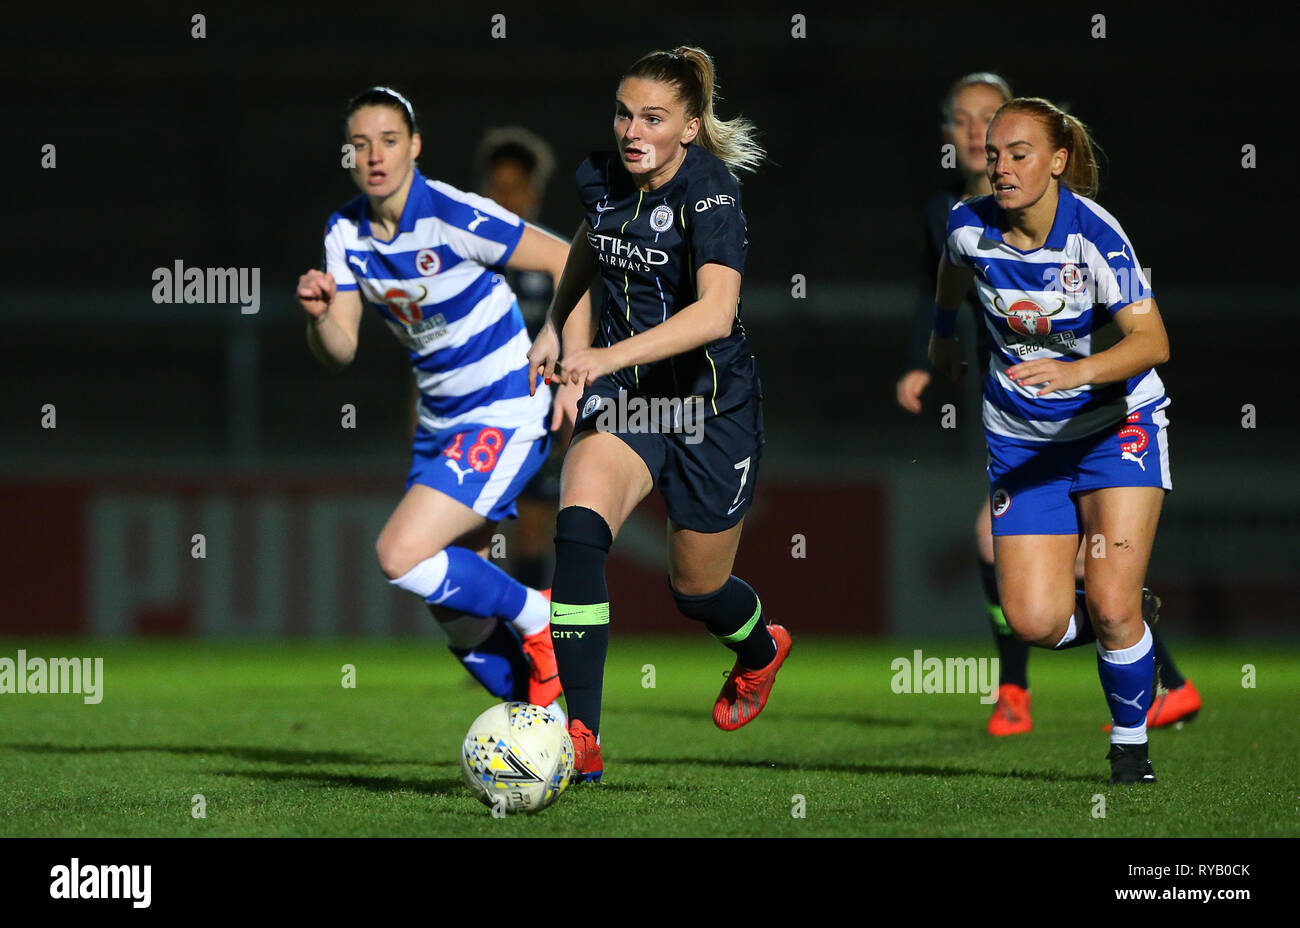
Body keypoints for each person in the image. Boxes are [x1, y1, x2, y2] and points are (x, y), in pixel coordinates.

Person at [900, 74, 1200, 737]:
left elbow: (1154, 341)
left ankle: (1124, 740)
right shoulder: (963, 222)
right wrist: (943, 338)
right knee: (1045, 615)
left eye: (1015, 149)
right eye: (989, 145)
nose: (998, 159)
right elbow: (951, 267)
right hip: (1026, 434)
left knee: (1101, 588)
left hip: (1112, 425)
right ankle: (1127, 637)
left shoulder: (1093, 234)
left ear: (1057, 158)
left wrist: (1077, 372)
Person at [526, 46, 789, 783]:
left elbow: (715, 314)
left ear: (690, 128)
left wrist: (603, 357)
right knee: (578, 530)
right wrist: (557, 321)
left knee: (696, 590)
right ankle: (581, 738)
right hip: (632, 403)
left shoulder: (712, 196)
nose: (632, 130)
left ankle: (761, 648)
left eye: (653, 117)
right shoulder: (599, 176)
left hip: (710, 406)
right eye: (623, 113)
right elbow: (592, 239)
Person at [297, 87, 587, 717]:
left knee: (399, 554)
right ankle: (559, 739)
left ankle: (541, 617)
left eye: (389, 141)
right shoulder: (344, 233)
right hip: (441, 427)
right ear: (348, 156)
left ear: (415, 147)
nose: (375, 155)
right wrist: (321, 318)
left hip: (504, 409)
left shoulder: (452, 215)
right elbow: (340, 349)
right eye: (361, 144)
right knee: (457, 614)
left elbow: (571, 259)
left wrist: (570, 364)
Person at [474, 128, 566, 591]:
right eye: (499, 186)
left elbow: (578, 348)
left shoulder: (558, 262)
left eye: (517, 187)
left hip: (537, 421)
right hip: (472, 418)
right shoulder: (465, 259)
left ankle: (531, 656)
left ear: (534, 193)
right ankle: (492, 654)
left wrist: (571, 418)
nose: (507, 197)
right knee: (473, 540)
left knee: (532, 541)